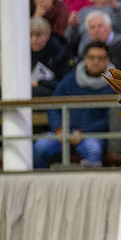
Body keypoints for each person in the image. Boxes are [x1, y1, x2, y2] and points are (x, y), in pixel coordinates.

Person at [34, 41, 116, 169]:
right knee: (40, 147)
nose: (95, 61)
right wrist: (59, 129)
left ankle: (91, 187)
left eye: (100, 58)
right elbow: (53, 105)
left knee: (93, 150)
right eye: (91, 58)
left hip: (93, 135)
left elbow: (111, 118)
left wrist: (84, 132)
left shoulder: (114, 85)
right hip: (63, 133)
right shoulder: (70, 80)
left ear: (107, 60)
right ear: (85, 59)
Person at [29, 16, 73, 97]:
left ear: (47, 35)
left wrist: (40, 82)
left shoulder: (60, 53)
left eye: (38, 35)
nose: (34, 40)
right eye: (30, 35)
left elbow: (65, 83)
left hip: (55, 94)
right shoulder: (23, 55)